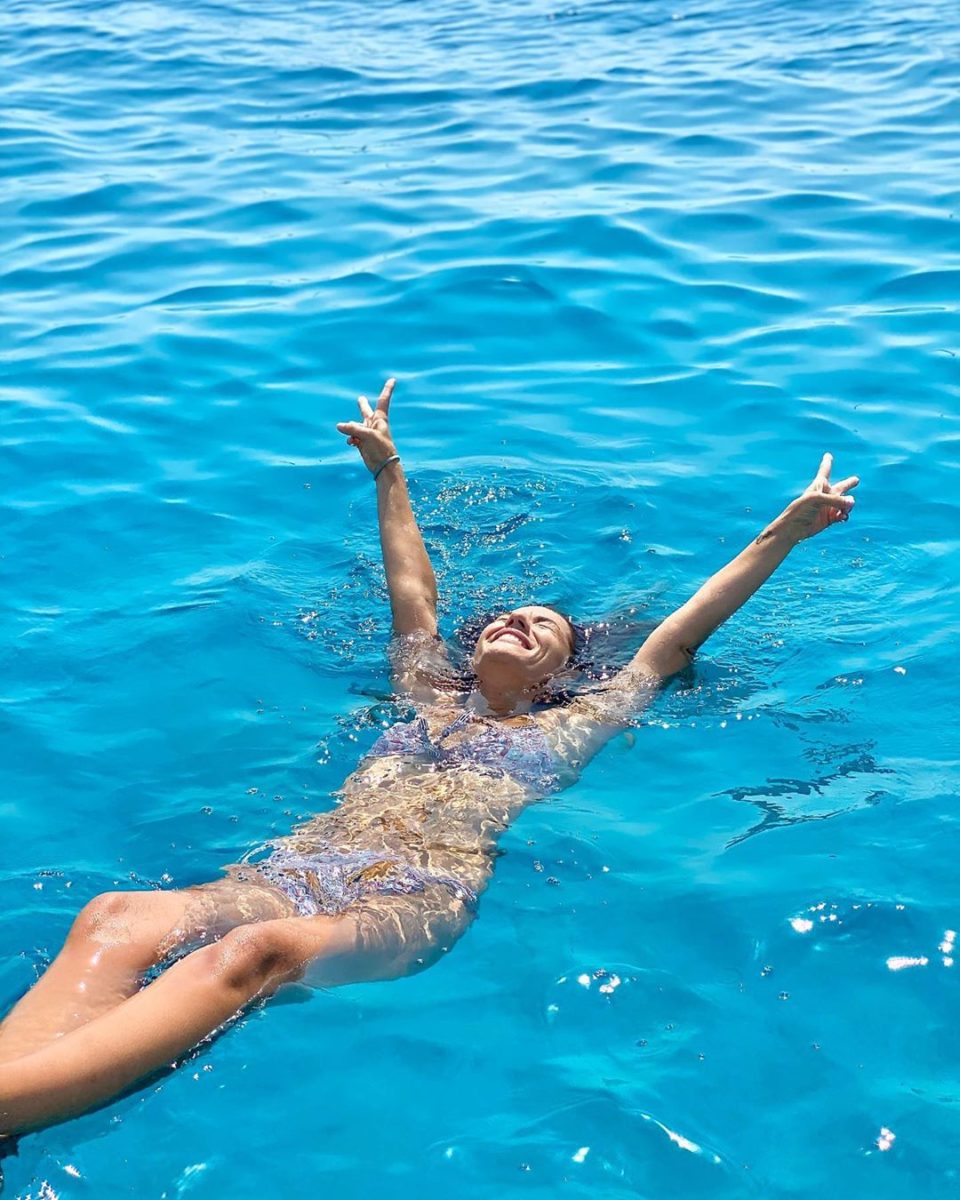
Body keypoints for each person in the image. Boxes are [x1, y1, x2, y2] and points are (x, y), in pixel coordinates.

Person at [0, 379, 859, 1136]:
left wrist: (784, 532)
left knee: (250, 955)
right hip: (303, 865)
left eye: (544, 626)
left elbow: (677, 636)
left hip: (415, 897)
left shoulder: (571, 726)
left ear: (563, 672)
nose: (517, 620)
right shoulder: (427, 695)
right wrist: (387, 468)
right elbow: (413, 590)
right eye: (508, 616)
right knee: (114, 916)